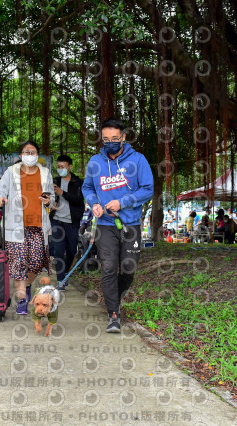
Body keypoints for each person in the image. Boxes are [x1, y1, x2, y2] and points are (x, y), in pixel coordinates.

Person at [82, 118, 154, 333]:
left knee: (129, 268)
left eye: (115, 138)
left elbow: (148, 189)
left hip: (130, 223)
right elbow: (87, 187)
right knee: (109, 268)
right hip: (105, 224)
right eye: (106, 139)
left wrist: (122, 202)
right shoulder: (95, 162)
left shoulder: (138, 160)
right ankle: (113, 314)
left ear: (123, 137)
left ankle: (115, 295)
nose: (110, 142)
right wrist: (94, 203)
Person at [0, 141, 55, 315]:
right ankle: (21, 300)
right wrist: (0, 199)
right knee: (18, 266)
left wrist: (49, 200)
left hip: (38, 224)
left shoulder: (45, 172)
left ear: (38, 154)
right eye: (26, 152)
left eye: (33, 152)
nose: (30, 155)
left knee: (36, 264)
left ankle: (27, 286)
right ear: (20, 155)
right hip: (16, 226)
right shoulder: (11, 172)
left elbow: (52, 196)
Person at [51, 154, 85, 291]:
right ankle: (60, 280)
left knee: (71, 250)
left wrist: (62, 193)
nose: (60, 169)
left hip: (72, 222)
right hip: (57, 220)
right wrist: (49, 203)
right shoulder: (54, 180)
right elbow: (46, 195)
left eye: (63, 167)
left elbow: (78, 200)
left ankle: (64, 272)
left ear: (70, 167)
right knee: (58, 251)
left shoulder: (78, 182)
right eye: (58, 167)